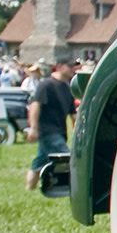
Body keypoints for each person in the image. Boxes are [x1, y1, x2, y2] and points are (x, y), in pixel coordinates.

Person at [26, 60, 76, 191]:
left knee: (39, 162)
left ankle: (29, 189)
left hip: (59, 131)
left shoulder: (67, 87)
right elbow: (35, 105)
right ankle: (72, 189)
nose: (73, 69)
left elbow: (72, 112)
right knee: (68, 159)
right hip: (47, 131)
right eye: (70, 66)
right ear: (59, 67)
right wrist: (33, 128)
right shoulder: (46, 85)